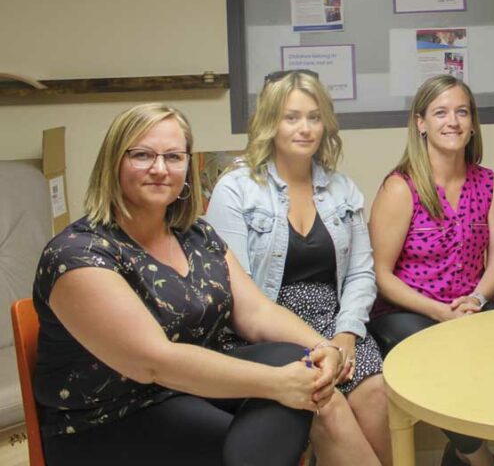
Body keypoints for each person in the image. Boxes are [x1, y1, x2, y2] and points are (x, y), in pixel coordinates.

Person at [33, 103, 343, 466]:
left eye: (173, 157)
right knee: (269, 421)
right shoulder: (77, 254)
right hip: (109, 418)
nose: (160, 169)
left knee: (296, 359)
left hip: (187, 389)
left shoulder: (195, 234)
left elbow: (257, 313)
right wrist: (279, 384)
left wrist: (325, 348)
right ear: (113, 163)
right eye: (142, 155)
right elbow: (154, 362)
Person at [205, 70, 390, 466]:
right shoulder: (235, 190)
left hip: (337, 323)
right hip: (267, 330)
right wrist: (319, 348)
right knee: (323, 402)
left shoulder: (343, 190)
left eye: (314, 117)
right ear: (270, 123)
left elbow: (360, 274)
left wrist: (346, 334)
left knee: (377, 394)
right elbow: (239, 297)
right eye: (291, 117)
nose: (305, 128)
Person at [368, 74, 494, 466]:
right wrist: (439, 313)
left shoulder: (489, 184)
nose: (453, 121)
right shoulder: (401, 188)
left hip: (472, 306)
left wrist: (478, 299)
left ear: (473, 121)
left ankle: (459, 454)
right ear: (421, 123)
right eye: (441, 112)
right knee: (438, 359)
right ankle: (478, 455)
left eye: (462, 112)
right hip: (408, 313)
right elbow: (380, 274)